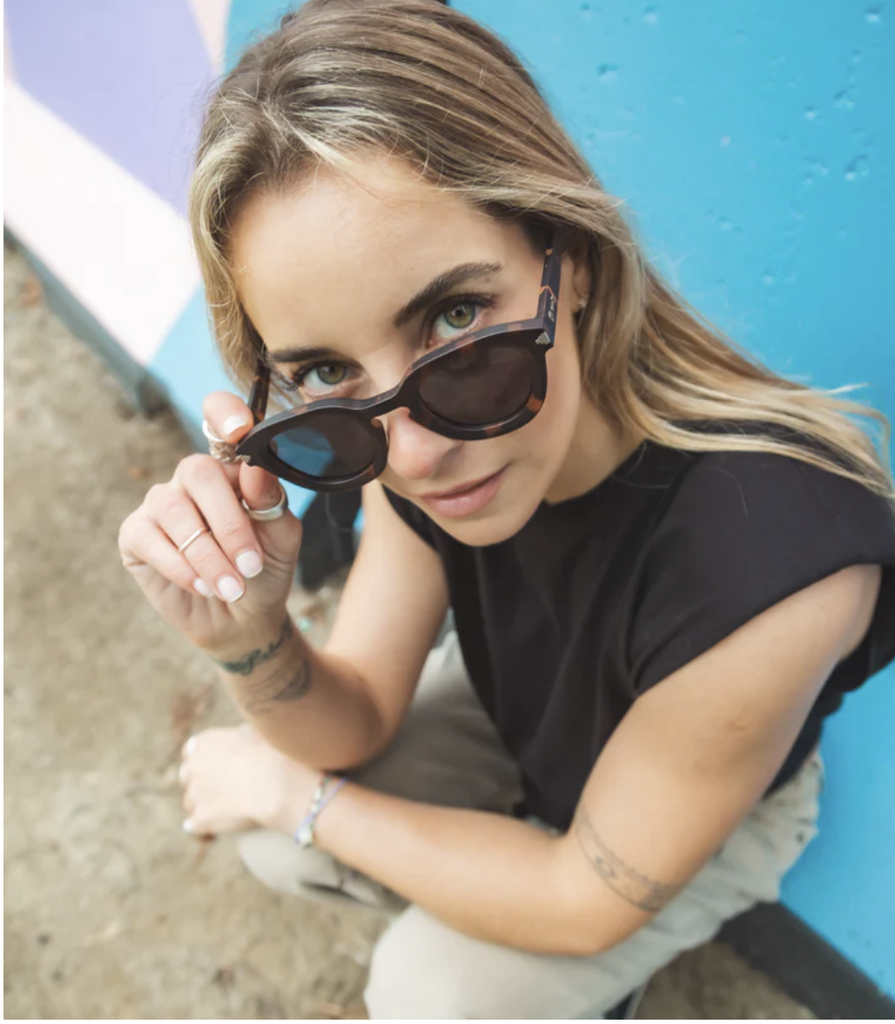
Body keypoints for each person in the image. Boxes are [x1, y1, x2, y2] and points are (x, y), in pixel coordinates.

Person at [118, 0, 895, 1017]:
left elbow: (581, 901)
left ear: (570, 258)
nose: (415, 455)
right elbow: (355, 717)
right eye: (327, 375)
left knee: (426, 988)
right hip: (529, 710)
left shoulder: (778, 564)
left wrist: (301, 799)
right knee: (285, 837)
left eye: (456, 319)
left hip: (704, 799)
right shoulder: (416, 427)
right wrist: (249, 639)